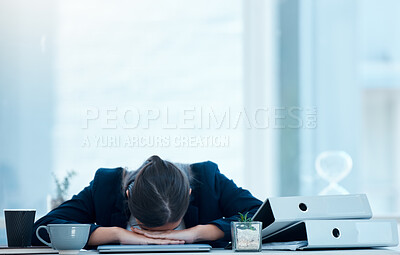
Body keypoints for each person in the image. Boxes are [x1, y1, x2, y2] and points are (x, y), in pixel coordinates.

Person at [32, 155, 262, 248]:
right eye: (144, 230)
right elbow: (40, 230)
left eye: (170, 231)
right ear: (128, 196)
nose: (156, 240)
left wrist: (199, 232)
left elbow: (264, 216)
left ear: (189, 194)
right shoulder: (106, 185)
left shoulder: (208, 179)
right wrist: (116, 234)